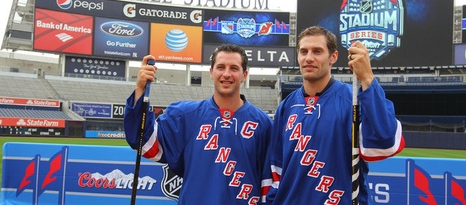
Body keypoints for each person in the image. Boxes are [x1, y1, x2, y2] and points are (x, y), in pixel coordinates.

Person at [265, 26, 405, 204]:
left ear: (333, 57)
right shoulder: (287, 106)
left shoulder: (352, 100)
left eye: (317, 51)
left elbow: (386, 141)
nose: (309, 58)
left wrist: (367, 78)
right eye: (304, 51)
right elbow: (277, 169)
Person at [124, 44, 273, 204]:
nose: (227, 74)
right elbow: (145, 142)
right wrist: (140, 88)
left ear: (244, 75)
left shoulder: (264, 124)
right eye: (221, 67)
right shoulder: (185, 116)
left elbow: (268, 184)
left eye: (234, 68)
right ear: (211, 72)